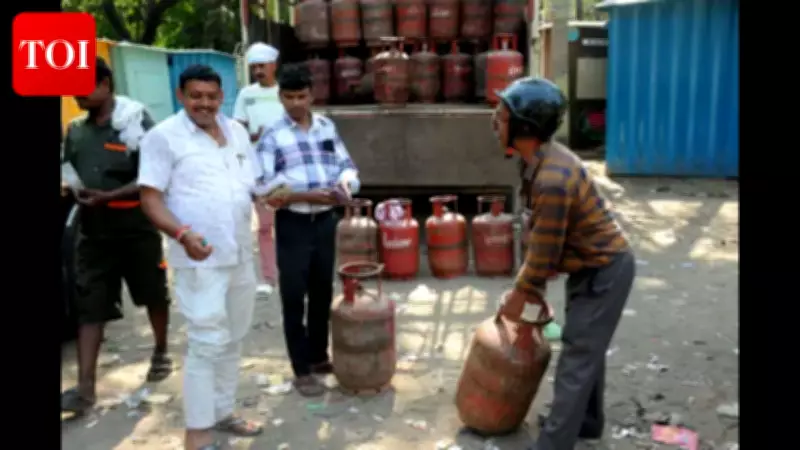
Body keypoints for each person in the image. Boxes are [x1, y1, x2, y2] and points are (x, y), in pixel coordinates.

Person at [492, 77, 635, 450]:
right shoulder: (537, 162)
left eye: (502, 116)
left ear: (525, 126)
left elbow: (544, 250)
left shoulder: (553, 178)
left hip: (606, 269)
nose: (494, 122)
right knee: (586, 347)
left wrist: (522, 291)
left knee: (577, 357)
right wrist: (530, 282)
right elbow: (540, 232)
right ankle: (586, 422)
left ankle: (554, 444)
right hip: (589, 265)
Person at [138, 64, 263, 450]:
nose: (204, 104)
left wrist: (271, 196)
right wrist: (182, 234)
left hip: (239, 250)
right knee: (206, 342)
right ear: (181, 96)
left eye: (211, 96)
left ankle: (222, 412)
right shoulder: (163, 137)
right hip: (199, 258)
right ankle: (197, 434)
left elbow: (252, 184)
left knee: (233, 338)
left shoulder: (236, 131)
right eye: (196, 96)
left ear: (222, 96)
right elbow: (150, 199)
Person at [60, 57, 172, 416]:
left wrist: (110, 195)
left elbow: (155, 175)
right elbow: (69, 169)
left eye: (83, 87)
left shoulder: (135, 123)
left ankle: (161, 350)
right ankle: (85, 389)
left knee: (152, 293)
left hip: (136, 229)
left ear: (105, 84)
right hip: (93, 234)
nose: (76, 95)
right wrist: (70, 189)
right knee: (89, 306)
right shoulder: (76, 130)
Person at [255, 63, 360, 397]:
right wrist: (305, 196)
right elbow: (263, 185)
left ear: (312, 95)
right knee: (293, 296)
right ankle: (300, 369)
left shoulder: (327, 127)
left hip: (326, 221)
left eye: (301, 96)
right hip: (294, 223)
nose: (296, 103)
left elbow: (346, 167)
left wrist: (345, 186)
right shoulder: (273, 135)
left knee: (321, 292)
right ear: (280, 97)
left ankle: (317, 356)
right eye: (289, 97)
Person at [233, 42, 284, 298]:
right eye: (254, 68)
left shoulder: (285, 93)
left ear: (274, 65)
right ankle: (268, 277)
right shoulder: (246, 95)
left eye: (262, 66)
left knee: (289, 224)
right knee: (265, 227)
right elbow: (237, 130)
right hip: (258, 170)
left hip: (286, 168)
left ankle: (291, 272)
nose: (258, 72)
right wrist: (254, 136)